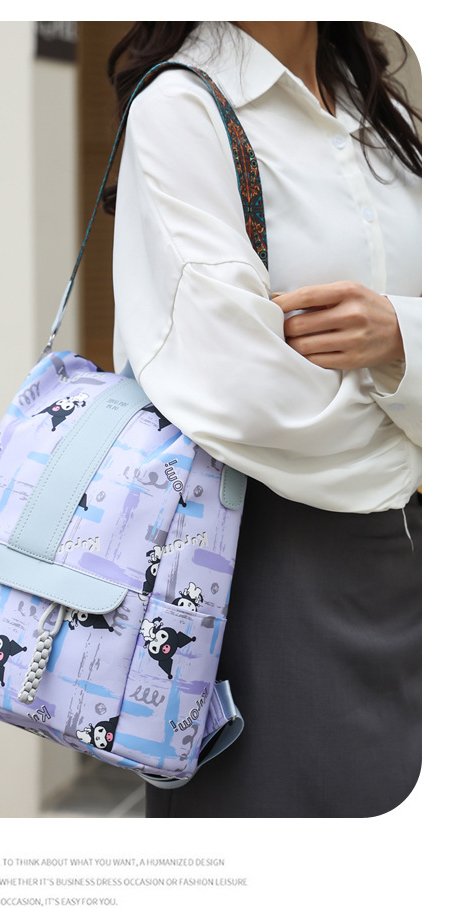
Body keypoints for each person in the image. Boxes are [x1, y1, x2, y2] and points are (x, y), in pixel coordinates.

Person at [107, 21, 421, 817]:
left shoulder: (382, 112)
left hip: (411, 557)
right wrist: (424, 442)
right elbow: (238, 389)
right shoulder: (182, 109)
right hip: (253, 563)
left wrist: (404, 335)